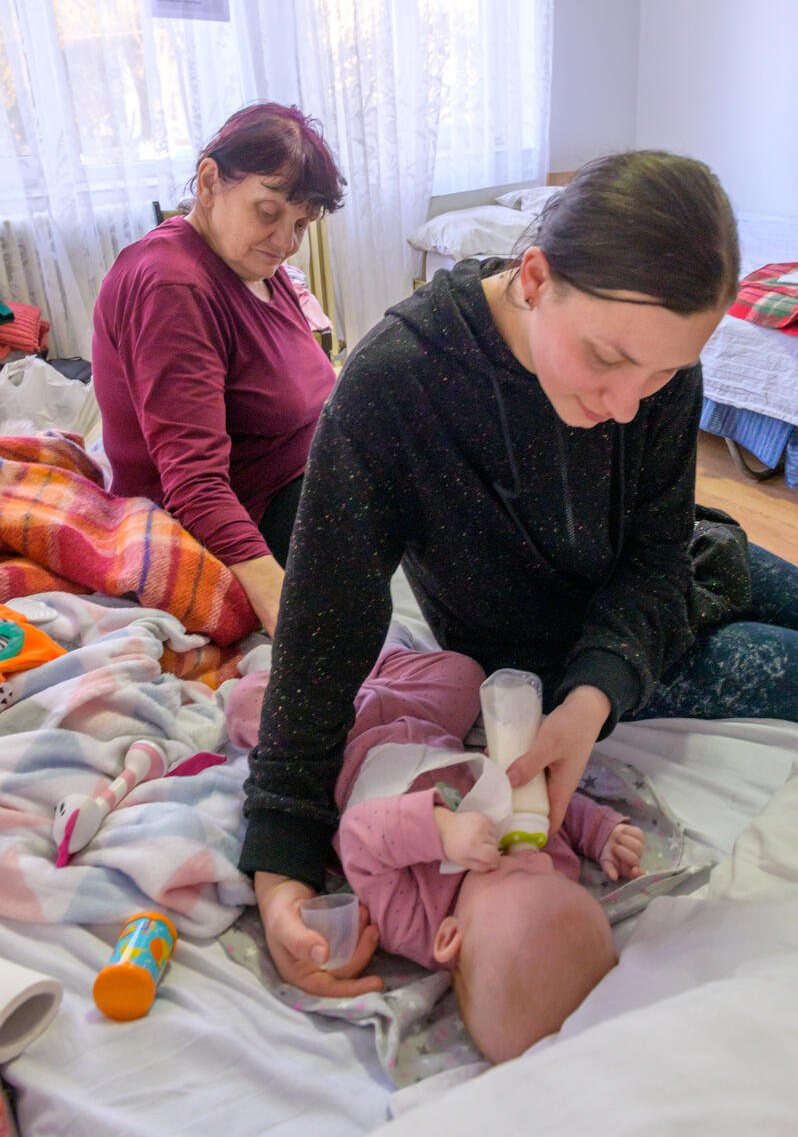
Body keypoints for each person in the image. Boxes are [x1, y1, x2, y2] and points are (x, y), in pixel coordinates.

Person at [239, 149, 798, 994]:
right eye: (608, 360)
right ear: (534, 277)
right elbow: (324, 628)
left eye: (664, 377)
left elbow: (657, 555)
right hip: (554, 646)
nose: (626, 406)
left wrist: (593, 703)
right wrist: (282, 858)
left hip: (672, 581)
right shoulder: (400, 381)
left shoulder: (651, 371)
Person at [227, 632, 643, 1057]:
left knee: (248, 705)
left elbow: (359, 836)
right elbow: (553, 810)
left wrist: (442, 831)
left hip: (338, 750)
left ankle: (309, 674)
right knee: (463, 674)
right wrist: (601, 831)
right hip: (425, 725)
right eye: (558, 876)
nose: (535, 858)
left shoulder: (413, 922)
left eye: (515, 872)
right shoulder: (547, 874)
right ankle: (370, 666)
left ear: (451, 936)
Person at [92, 103, 345, 635]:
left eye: (301, 224)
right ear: (209, 182)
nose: (285, 241)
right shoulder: (174, 286)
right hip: (241, 514)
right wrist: (279, 600)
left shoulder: (255, 263)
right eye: (268, 212)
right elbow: (195, 482)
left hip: (295, 477)